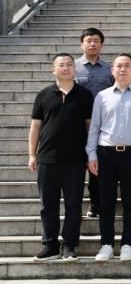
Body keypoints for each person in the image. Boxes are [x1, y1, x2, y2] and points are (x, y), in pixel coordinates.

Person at [86, 53, 131, 262]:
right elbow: (94, 128)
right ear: (112, 70)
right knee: (106, 202)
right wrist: (91, 154)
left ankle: (127, 244)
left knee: (130, 202)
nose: (123, 69)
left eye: (127, 66)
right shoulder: (102, 96)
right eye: (119, 66)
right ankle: (106, 244)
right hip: (106, 154)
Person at [28, 53, 93, 261]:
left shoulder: (85, 95)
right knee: (48, 205)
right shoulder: (43, 95)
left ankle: (69, 245)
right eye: (61, 65)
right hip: (47, 158)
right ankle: (50, 245)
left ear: (75, 69)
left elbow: (90, 127)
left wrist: (91, 154)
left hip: (75, 160)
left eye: (69, 64)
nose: (66, 68)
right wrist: (32, 154)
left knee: (73, 205)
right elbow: (35, 126)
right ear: (53, 69)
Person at [75, 27, 114, 219]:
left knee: (97, 166)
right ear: (82, 44)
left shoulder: (109, 69)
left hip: (101, 126)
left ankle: (95, 203)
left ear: (102, 45)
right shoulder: (72, 66)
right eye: (88, 40)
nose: (92, 44)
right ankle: (74, 204)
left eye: (96, 41)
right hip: (75, 125)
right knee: (75, 165)